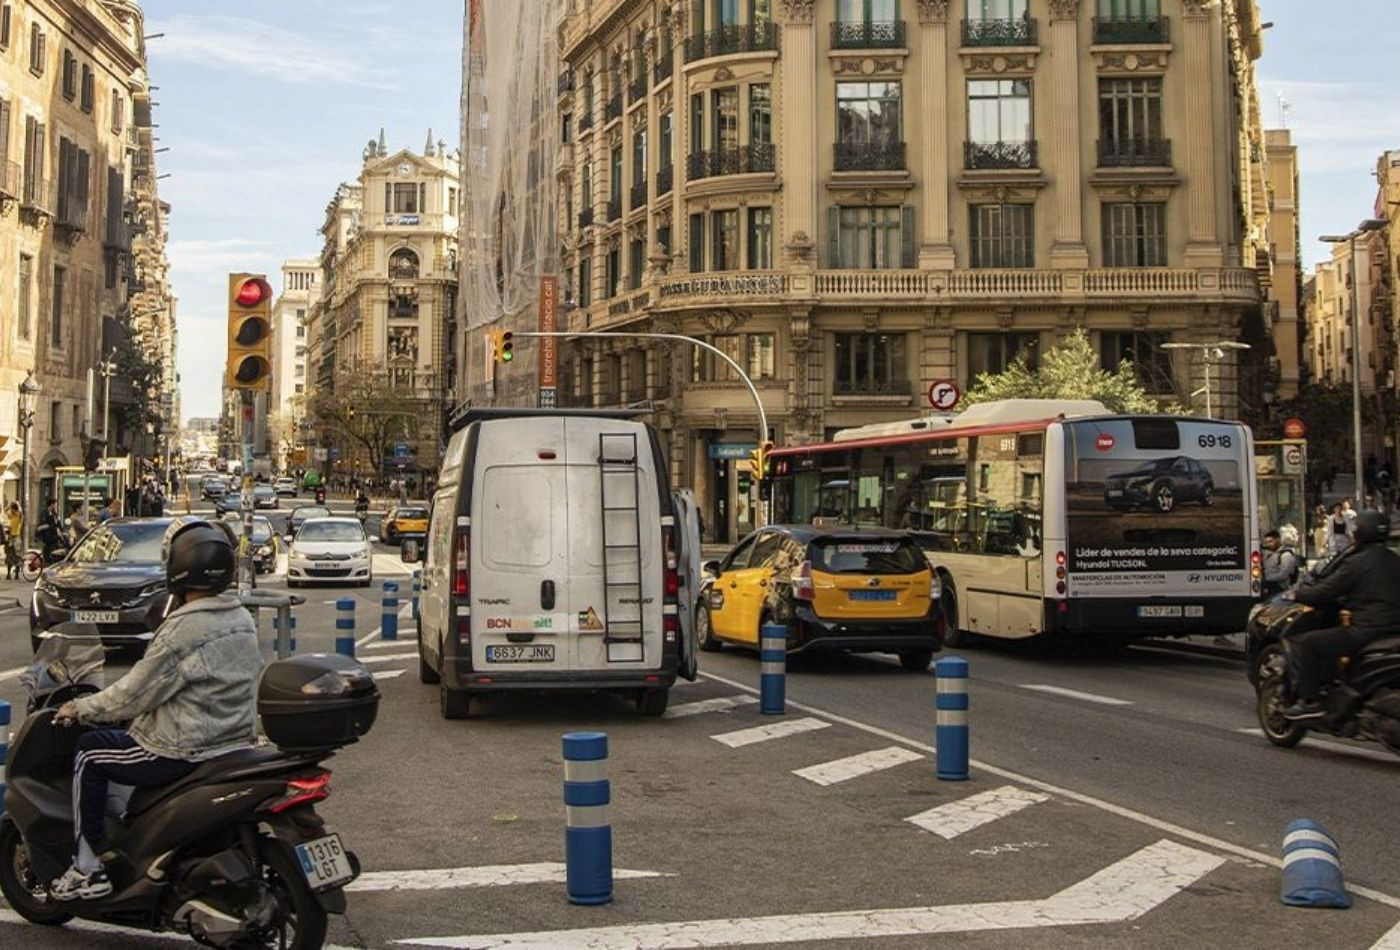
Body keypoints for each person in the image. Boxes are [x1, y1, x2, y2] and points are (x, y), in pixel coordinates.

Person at [49, 519, 261, 900]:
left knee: (89, 754)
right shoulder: (241, 618)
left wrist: (81, 708)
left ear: (179, 570)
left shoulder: (183, 628)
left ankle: (87, 866)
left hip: (181, 748)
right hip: (232, 743)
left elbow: (133, 694)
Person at [1285, 509, 1400, 721]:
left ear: (1360, 532)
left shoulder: (1357, 562)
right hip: (1393, 631)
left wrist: (1298, 593)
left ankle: (1310, 701)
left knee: (1309, 643)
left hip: (1366, 631)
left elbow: (1326, 591)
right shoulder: (1394, 560)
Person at [1261, 527, 1300, 598]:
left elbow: (1283, 575)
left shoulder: (1286, 555)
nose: (1268, 544)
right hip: (1269, 586)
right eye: (1267, 542)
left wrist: (1266, 578)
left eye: (1271, 541)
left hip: (1280, 588)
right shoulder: (1271, 554)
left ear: (1278, 540)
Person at [4, 502, 22, 579]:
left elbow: (20, 511)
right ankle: (8, 573)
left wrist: (17, 504)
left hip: (16, 537)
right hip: (10, 537)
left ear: (15, 510)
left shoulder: (18, 516)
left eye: (12, 509)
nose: (11, 511)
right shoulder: (11, 516)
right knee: (9, 555)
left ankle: (17, 573)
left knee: (17, 555)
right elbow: (5, 511)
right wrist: (9, 505)